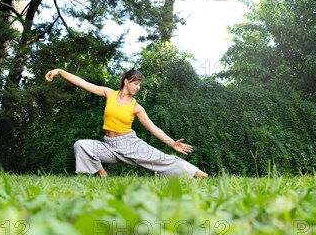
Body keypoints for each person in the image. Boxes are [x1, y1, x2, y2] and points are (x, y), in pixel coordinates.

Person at [45, 68, 209, 178]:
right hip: (109, 145)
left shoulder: (136, 107)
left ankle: (203, 176)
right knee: (81, 145)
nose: (138, 87)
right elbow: (83, 83)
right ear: (126, 81)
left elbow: (153, 128)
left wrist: (172, 143)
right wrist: (59, 71)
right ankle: (103, 177)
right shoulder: (109, 94)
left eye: (140, 85)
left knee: (164, 160)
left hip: (130, 144)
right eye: (136, 83)